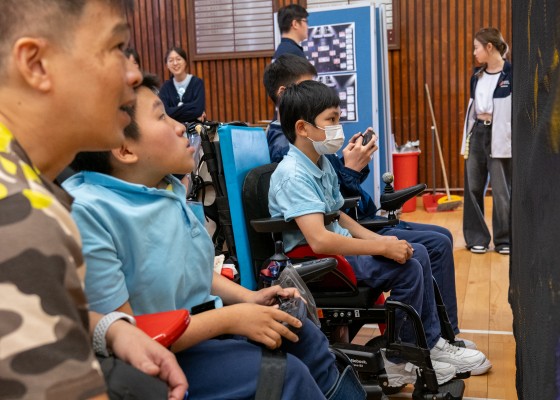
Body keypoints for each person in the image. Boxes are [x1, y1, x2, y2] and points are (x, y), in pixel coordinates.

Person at [64, 75, 366, 400]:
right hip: (163, 354)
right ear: (124, 149)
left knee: (302, 333)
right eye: (161, 117)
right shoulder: (88, 212)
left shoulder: (165, 191)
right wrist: (230, 319)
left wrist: (250, 299)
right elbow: (131, 333)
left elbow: (194, 274)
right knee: (286, 376)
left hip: (203, 329)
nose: (180, 127)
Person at [0, 1, 187, 399]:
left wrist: (108, 328)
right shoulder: (19, 217)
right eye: (116, 48)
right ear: (36, 64)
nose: (133, 74)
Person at [269, 79, 493, 386]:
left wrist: (383, 241)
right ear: (303, 128)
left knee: (418, 252)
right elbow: (319, 240)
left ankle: (430, 344)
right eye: (331, 120)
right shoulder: (293, 174)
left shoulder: (321, 164)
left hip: (337, 249)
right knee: (407, 269)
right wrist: (380, 248)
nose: (338, 127)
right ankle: (400, 360)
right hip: (317, 261)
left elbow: (340, 217)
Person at [460, 27, 512, 255]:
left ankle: (505, 240)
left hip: (500, 136)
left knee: (502, 190)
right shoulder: (476, 76)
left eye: (476, 48)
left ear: (489, 47)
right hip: (477, 133)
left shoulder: (512, 74)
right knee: (472, 187)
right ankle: (476, 238)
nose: (474, 53)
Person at [158, 47, 206, 124]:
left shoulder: (197, 83)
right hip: (173, 130)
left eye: (178, 59)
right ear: (167, 65)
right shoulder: (165, 88)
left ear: (185, 61)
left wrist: (174, 111)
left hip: (195, 129)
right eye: (171, 60)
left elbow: (198, 110)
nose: (175, 63)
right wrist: (190, 109)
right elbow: (165, 112)